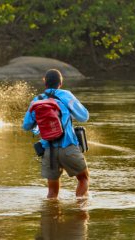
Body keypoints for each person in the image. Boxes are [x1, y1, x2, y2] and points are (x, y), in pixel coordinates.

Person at [22, 69, 90, 199]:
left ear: (45, 83)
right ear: (60, 83)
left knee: (52, 193)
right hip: (68, 148)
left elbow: (26, 126)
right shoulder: (66, 95)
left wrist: (40, 125)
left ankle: (50, 216)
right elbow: (84, 117)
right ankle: (80, 209)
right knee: (84, 179)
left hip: (48, 151)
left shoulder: (37, 100)